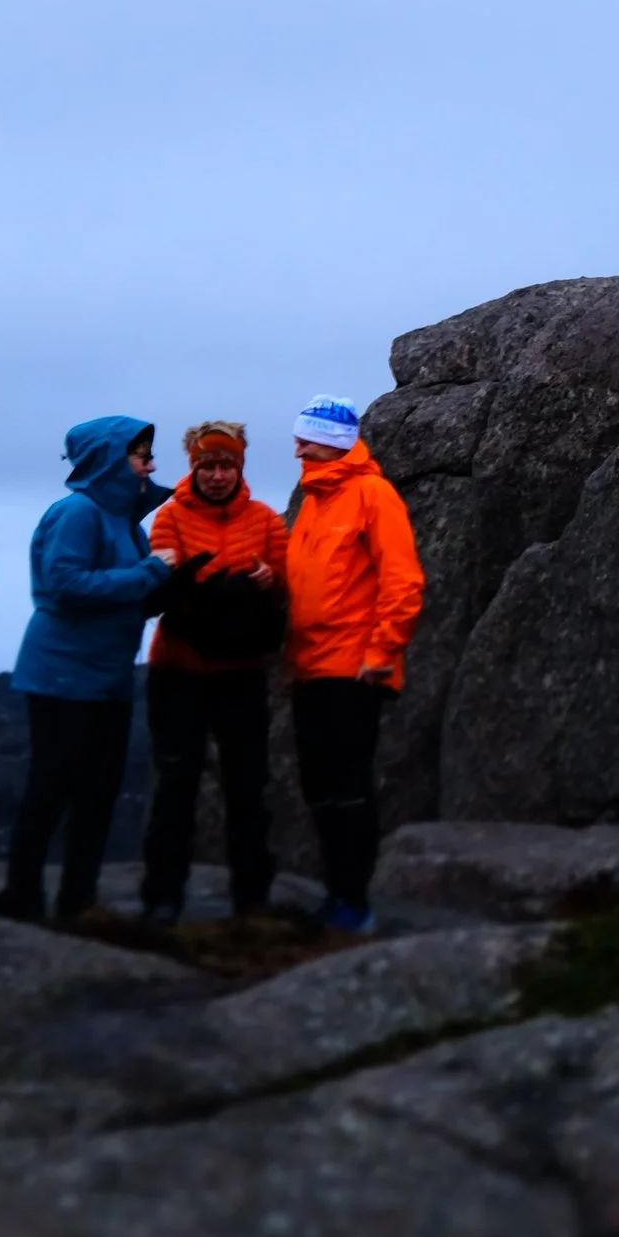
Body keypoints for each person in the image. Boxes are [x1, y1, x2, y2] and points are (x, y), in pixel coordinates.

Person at [0, 416, 172, 924]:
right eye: (141, 454)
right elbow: (66, 585)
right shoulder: (77, 513)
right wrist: (150, 573)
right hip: (62, 675)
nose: (152, 464)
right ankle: (21, 896)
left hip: (107, 678)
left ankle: (77, 901)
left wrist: (171, 584)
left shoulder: (124, 522)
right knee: (51, 788)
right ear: (110, 458)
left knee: (98, 793)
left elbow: (129, 596)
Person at [283, 396, 426, 935]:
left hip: (354, 671)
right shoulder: (314, 499)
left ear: (335, 440)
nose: (297, 445)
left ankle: (353, 902)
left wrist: (381, 654)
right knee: (318, 787)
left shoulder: (372, 494)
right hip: (309, 670)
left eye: (308, 436)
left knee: (347, 788)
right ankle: (335, 896)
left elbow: (403, 580)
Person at [140, 420, 291, 925]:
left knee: (247, 787)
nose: (218, 474)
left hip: (242, 673)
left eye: (227, 464)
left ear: (240, 466)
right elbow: (162, 584)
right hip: (178, 670)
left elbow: (288, 584)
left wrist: (270, 580)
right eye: (209, 465)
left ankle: (252, 899)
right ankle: (163, 898)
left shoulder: (268, 521)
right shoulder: (169, 518)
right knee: (175, 784)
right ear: (194, 467)